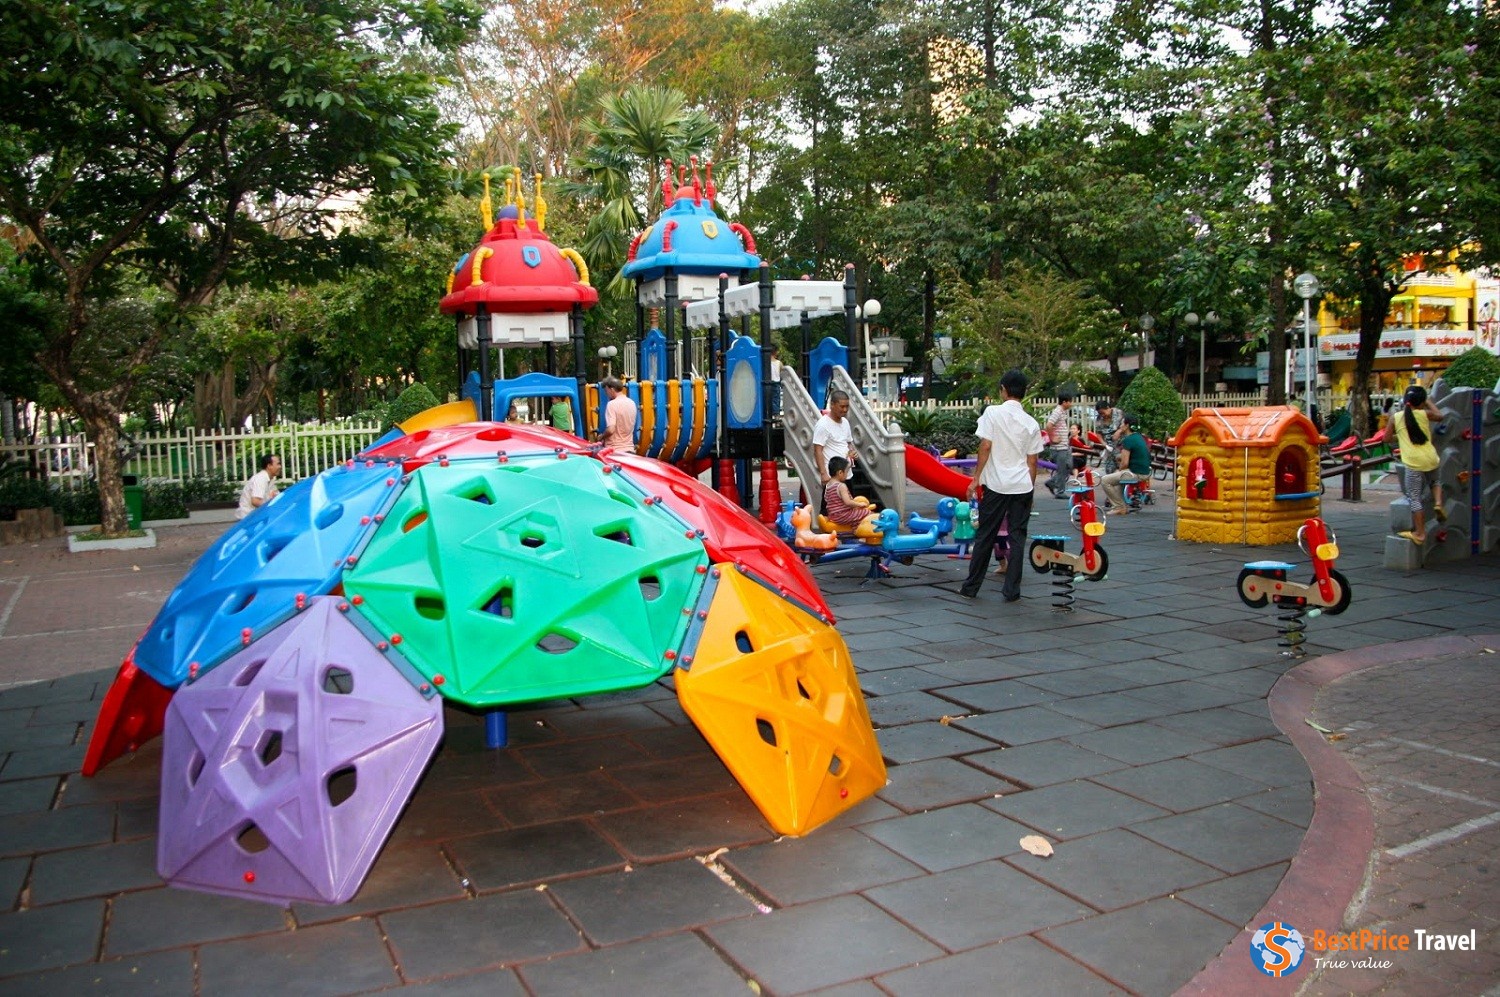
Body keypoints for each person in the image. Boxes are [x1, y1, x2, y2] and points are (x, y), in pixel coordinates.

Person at [960, 369, 1043, 602]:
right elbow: (1033, 461)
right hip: (1021, 485)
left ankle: (971, 586)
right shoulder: (1031, 423)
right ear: (1023, 393)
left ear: (1003, 390)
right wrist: (1031, 487)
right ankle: (1012, 591)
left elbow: (985, 445)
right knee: (1017, 537)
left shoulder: (993, 413)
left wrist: (976, 477)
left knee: (986, 536)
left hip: (996, 484)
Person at [1392, 384, 1444, 544]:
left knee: (1414, 497)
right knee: (1435, 481)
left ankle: (1420, 533)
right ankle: (1438, 502)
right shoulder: (1424, 414)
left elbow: (1386, 438)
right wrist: (1428, 401)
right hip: (1431, 457)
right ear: (1421, 402)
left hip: (1413, 462)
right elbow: (1440, 415)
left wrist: (1399, 437)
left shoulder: (1396, 417)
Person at [1100, 416, 1151, 515]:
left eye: (1122, 423)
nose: (1121, 425)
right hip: (1144, 471)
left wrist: (1119, 470)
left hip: (1136, 473)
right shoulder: (1138, 437)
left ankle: (1118, 506)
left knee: (1105, 480)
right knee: (1118, 480)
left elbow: (1124, 463)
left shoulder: (1128, 440)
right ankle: (1121, 506)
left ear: (1127, 426)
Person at [813, 390, 856, 487]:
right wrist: (823, 473)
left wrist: (852, 452)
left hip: (847, 474)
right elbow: (817, 450)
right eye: (842, 406)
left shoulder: (845, 422)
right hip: (833, 477)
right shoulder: (823, 425)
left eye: (847, 406)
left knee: (849, 501)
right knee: (832, 502)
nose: (845, 410)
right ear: (832, 405)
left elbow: (848, 443)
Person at [821, 457, 872, 528]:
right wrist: (859, 504)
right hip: (843, 515)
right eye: (846, 472)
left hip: (832, 516)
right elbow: (848, 502)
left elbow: (827, 499)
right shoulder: (841, 486)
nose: (847, 475)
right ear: (840, 473)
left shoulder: (828, 486)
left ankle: (855, 529)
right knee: (868, 513)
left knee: (856, 514)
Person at [1042, 391, 1073, 498]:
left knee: (1068, 466)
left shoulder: (1062, 412)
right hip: (1059, 447)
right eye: (1069, 402)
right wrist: (1052, 438)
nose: (1071, 404)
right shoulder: (1057, 411)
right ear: (1064, 402)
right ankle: (1060, 491)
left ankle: (1052, 482)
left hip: (1064, 446)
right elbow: (1049, 425)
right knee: (1062, 468)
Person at [236, 453, 282, 520]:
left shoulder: (270, 479)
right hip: (249, 518)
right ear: (269, 466)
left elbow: (277, 497)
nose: (280, 466)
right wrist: (272, 508)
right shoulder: (261, 479)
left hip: (257, 516)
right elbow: (255, 501)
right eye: (278, 464)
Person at [596, 377, 638, 450]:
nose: (606, 394)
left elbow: (610, 430)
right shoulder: (632, 403)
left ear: (612, 389)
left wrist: (601, 436)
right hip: (630, 448)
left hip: (615, 449)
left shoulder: (612, 404)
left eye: (606, 391)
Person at [1094, 399, 1124, 473]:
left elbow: (1126, 425)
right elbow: (1098, 432)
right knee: (1109, 470)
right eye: (1100, 413)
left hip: (1121, 445)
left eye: (1103, 413)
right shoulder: (1099, 418)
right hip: (1109, 447)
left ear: (1108, 408)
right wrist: (1104, 444)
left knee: (1122, 468)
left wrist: (1119, 431)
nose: (1102, 415)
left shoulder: (1118, 413)